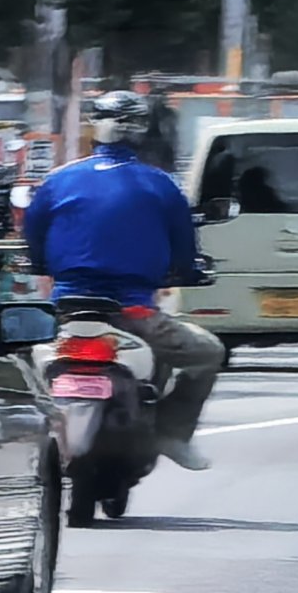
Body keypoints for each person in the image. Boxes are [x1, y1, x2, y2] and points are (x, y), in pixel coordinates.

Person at [23, 90, 223, 472]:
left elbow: (33, 241)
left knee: (25, 364)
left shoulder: (57, 181)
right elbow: (185, 251)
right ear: (141, 130)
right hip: (134, 312)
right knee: (208, 352)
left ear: (94, 126)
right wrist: (190, 273)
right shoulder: (161, 185)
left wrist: (43, 265)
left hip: (67, 310)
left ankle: (31, 439)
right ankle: (173, 435)